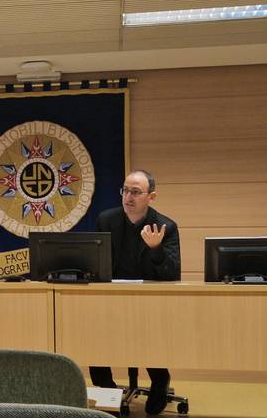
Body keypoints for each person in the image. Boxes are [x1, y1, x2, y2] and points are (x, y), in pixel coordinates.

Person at [90, 170, 180, 416]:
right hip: (110, 296)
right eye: (125, 190)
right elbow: (96, 261)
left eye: (136, 192)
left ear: (151, 196)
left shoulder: (166, 226)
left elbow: (172, 274)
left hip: (149, 299)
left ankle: (160, 384)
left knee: (151, 335)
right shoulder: (106, 220)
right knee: (92, 333)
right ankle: (106, 388)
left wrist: (156, 249)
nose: (128, 196)